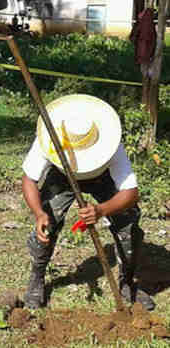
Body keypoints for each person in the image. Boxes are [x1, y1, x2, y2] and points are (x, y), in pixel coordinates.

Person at [21, 94, 155, 311]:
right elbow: (29, 178)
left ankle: (127, 283)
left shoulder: (110, 143)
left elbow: (131, 192)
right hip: (61, 175)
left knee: (128, 222)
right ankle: (37, 278)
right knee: (47, 223)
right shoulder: (49, 138)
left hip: (102, 177)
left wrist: (101, 210)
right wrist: (39, 213)